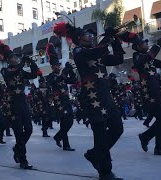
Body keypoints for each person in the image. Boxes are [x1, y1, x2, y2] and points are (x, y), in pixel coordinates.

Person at [53, 22, 124, 180]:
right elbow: (95, 53)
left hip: (106, 97)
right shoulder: (78, 51)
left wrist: (116, 40)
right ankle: (105, 172)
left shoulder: (97, 52)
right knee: (99, 135)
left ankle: (94, 154)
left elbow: (118, 58)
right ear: (78, 38)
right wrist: (108, 38)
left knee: (118, 128)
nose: (91, 36)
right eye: (87, 34)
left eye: (92, 34)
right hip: (92, 99)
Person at [0, 39, 38, 169]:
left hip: (23, 102)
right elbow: (13, 74)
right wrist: (22, 64)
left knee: (29, 129)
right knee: (18, 132)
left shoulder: (21, 70)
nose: (16, 58)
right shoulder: (5, 71)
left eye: (16, 56)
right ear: (8, 60)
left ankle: (17, 149)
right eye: (13, 57)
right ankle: (23, 159)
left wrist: (32, 62)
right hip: (13, 104)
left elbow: (34, 75)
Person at [125, 35, 161, 156]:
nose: (147, 45)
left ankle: (146, 137)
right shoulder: (138, 56)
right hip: (149, 91)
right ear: (137, 47)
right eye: (144, 43)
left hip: (156, 88)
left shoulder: (149, 58)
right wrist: (157, 46)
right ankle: (159, 147)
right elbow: (146, 58)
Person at [46, 43, 77, 151]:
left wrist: (70, 70)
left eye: (59, 65)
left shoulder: (62, 75)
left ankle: (58, 137)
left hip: (66, 100)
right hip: (59, 103)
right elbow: (54, 82)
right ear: (52, 67)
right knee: (65, 123)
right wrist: (64, 73)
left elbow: (73, 81)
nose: (58, 66)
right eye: (56, 65)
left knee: (70, 122)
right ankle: (66, 145)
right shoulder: (50, 77)